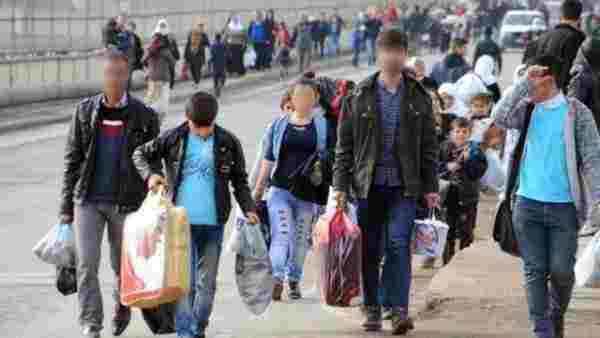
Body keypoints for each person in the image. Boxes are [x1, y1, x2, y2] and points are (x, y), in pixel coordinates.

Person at [333, 29, 439, 335]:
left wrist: (431, 186)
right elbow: (344, 148)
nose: (392, 56)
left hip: (405, 187)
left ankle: (399, 309)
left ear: (405, 54)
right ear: (378, 55)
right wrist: (340, 187)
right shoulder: (360, 95)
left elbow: (429, 147)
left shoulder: (418, 97)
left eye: (398, 51)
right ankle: (373, 307)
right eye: (386, 51)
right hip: (368, 186)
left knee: (398, 245)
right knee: (370, 249)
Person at [132, 91, 259, 338]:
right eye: (197, 127)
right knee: (184, 284)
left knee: (207, 284)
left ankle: (198, 325)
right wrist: (151, 176)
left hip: (213, 223)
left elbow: (240, 181)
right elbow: (140, 154)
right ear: (187, 119)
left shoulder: (228, 142)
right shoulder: (173, 138)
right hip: (180, 224)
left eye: (207, 127)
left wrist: (249, 208)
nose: (202, 132)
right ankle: (185, 331)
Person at [493, 55, 600, 338]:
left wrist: (599, 199)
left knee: (563, 271)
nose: (529, 85)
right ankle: (542, 330)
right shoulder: (526, 109)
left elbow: (593, 159)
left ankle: (554, 316)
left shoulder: (578, 113)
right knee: (534, 269)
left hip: (565, 208)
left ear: (549, 78)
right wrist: (522, 83)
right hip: (526, 204)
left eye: (533, 77)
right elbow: (499, 116)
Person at [59, 48, 160, 338]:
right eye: (108, 73)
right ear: (102, 77)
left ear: (127, 75)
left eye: (118, 73)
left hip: (126, 203)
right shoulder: (85, 111)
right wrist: (65, 208)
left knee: (121, 266)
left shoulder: (144, 116)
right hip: (87, 200)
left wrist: (155, 195)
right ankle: (91, 324)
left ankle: (122, 306)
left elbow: (152, 161)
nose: (113, 79)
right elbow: (72, 161)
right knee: (86, 265)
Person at [252, 79, 330, 301]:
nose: (304, 101)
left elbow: (330, 158)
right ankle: (277, 277)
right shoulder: (279, 125)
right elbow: (268, 159)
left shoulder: (322, 126)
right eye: (299, 97)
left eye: (309, 97)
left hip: (307, 194)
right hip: (280, 191)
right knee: (282, 234)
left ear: (315, 99)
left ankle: (293, 279)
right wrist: (258, 190)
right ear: (292, 100)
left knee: (300, 237)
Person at [439, 117, 488, 265]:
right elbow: (434, 165)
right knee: (448, 230)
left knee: (466, 231)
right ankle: (447, 262)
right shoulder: (444, 147)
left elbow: (479, 172)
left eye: (464, 131)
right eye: (457, 131)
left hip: (468, 197)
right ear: (451, 133)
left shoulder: (475, 150)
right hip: (448, 196)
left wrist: (469, 161)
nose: (461, 134)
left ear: (470, 133)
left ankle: (462, 262)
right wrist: (447, 167)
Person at [569, 37, 600, 237]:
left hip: (588, 134)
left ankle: (593, 220)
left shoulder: (581, 77)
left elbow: (573, 107)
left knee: (589, 178)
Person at [522, 0, 586, 91]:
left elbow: (526, 67)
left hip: (539, 97)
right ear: (580, 19)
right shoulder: (580, 40)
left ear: (561, 17)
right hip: (563, 98)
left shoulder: (542, 38)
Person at [143, 19, 176, 124]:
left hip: (152, 78)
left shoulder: (149, 50)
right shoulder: (166, 51)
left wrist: (149, 69)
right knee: (162, 105)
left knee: (150, 101)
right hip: (163, 79)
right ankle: (156, 124)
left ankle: (146, 121)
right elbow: (173, 63)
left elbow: (143, 61)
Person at [126, 21, 144, 91]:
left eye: (133, 28)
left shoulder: (136, 38)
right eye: (130, 27)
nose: (131, 29)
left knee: (128, 77)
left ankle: (127, 92)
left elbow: (139, 49)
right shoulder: (123, 36)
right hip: (124, 60)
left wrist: (140, 59)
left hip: (132, 60)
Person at [210, 33, 228, 98]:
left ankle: (216, 88)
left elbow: (212, 54)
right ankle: (219, 86)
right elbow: (227, 53)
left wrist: (210, 61)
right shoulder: (223, 45)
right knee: (223, 77)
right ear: (220, 38)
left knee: (215, 77)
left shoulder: (213, 45)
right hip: (222, 63)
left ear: (215, 38)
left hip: (215, 63)